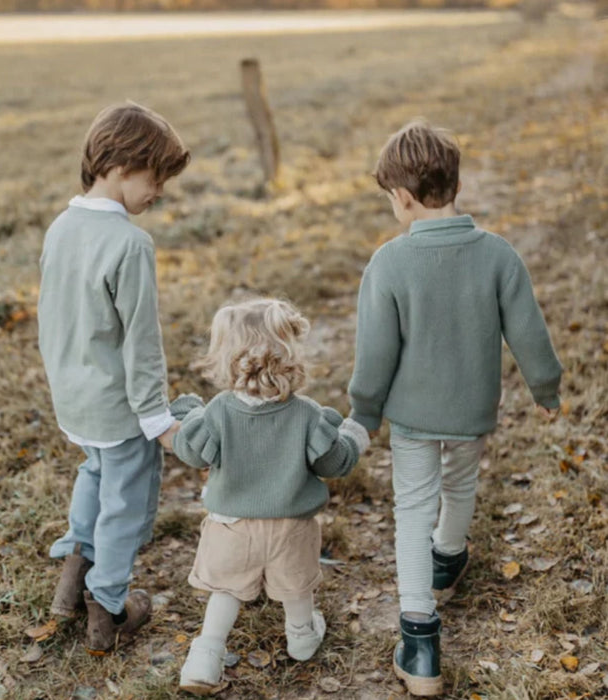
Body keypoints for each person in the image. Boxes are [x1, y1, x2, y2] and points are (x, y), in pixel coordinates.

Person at [348, 119, 562, 696]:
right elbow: (530, 334)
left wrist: (365, 412)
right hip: (472, 408)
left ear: (402, 197)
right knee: (461, 483)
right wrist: (547, 389)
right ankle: (448, 556)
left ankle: (420, 640)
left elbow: (374, 355)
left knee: (412, 508)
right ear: (455, 184)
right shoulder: (498, 254)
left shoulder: (389, 263)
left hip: (414, 416)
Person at [37, 101, 190, 655]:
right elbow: (141, 343)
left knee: (94, 474)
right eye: (157, 179)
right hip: (119, 410)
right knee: (126, 504)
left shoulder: (61, 226)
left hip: (74, 400)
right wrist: (157, 419)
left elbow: (52, 318)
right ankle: (110, 607)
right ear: (124, 166)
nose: (160, 193)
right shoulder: (130, 244)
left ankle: (72, 576)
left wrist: (63, 388)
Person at [168, 298, 370, 695]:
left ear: (228, 358)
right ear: (289, 355)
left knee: (225, 592)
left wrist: (189, 412)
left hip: (231, 526)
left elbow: (191, 452)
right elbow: (336, 462)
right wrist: (353, 434)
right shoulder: (308, 414)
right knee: (296, 590)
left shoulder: (218, 411)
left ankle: (205, 657)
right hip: (291, 527)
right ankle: (301, 638)